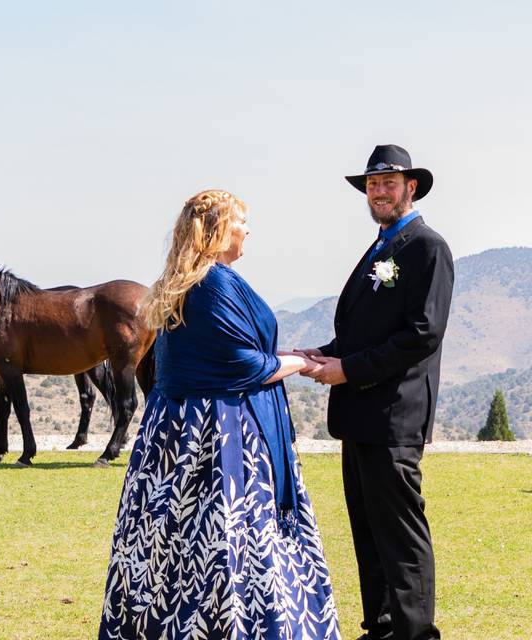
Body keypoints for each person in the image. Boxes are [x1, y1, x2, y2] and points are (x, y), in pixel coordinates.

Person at [98, 189, 340, 640]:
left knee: (177, 540)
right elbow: (244, 366)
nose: (248, 231)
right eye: (241, 222)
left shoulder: (189, 280)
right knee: (229, 537)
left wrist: (288, 354)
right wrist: (305, 364)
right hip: (219, 435)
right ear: (218, 230)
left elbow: (234, 352)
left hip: (177, 432)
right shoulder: (213, 284)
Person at [297, 145, 453, 640]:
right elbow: (365, 331)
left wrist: (350, 369)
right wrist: (323, 355)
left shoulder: (427, 248)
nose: (379, 191)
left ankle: (414, 633)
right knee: (368, 531)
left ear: (411, 187)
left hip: (393, 417)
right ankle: (382, 628)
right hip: (360, 416)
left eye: (389, 183)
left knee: (401, 535)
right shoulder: (382, 247)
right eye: (372, 184)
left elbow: (422, 334)